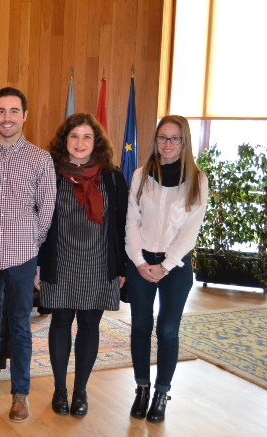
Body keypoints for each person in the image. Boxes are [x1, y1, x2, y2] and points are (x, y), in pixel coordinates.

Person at [0, 87, 56, 423]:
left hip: (22, 256)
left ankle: (20, 392)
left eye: (13, 111)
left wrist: (33, 247)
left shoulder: (40, 158)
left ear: (24, 115)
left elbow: (46, 208)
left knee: (20, 327)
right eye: (1, 111)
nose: (7, 118)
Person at [35, 113, 128, 418]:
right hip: (60, 262)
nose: (80, 143)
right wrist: (37, 265)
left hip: (99, 264)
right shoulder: (49, 172)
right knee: (60, 323)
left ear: (96, 142)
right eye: (74, 136)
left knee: (89, 326)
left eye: (87, 137)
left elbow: (121, 226)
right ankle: (60, 389)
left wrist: (122, 269)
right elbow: (38, 222)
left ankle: (80, 391)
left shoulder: (112, 177)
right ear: (65, 141)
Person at [125, 115, 208, 423]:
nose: (168, 144)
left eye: (175, 139)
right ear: (156, 140)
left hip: (176, 266)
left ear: (184, 142)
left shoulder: (197, 180)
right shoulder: (141, 175)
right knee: (140, 327)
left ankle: (161, 392)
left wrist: (165, 265)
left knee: (168, 330)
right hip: (141, 263)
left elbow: (190, 231)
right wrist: (139, 261)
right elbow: (131, 223)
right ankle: (142, 389)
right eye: (163, 138)